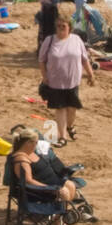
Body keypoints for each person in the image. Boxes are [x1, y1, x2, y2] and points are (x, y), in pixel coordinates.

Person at [38, 15, 94, 145]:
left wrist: (91, 74)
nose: (61, 28)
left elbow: (84, 59)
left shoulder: (76, 40)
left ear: (69, 27)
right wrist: (45, 76)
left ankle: (70, 126)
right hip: (55, 82)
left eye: (63, 26)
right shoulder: (50, 40)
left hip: (73, 82)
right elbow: (41, 60)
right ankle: (62, 137)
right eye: (58, 26)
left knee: (72, 108)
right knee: (60, 108)